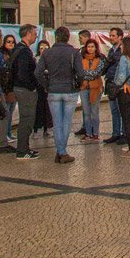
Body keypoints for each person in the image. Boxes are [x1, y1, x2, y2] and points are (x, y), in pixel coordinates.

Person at [36, 27, 85, 164]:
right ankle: (62, 152)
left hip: (53, 90)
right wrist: (78, 84)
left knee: (57, 123)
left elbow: (38, 72)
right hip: (69, 90)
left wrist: (46, 85)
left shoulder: (47, 53)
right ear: (68, 37)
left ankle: (60, 151)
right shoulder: (74, 52)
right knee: (66, 122)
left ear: (56, 37)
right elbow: (81, 73)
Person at [10, 23, 39, 159]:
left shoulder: (18, 49)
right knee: (27, 119)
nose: (36, 37)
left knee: (26, 119)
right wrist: (32, 87)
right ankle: (22, 151)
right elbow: (22, 74)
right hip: (24, 90)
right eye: (34, 34)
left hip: (20, 88)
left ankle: (25, 148)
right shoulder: (24, 51)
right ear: (28, 34)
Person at [102, 27, 126, 144]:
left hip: (119, 84)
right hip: (110, 83)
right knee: (114, 110)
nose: (111, 38)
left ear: (120, 37)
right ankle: (115, 133)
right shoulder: (112, 50)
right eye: (110, 35)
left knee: (122, 110)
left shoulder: (123, 50)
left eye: (113, 36)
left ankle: (124, 134)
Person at [79, 38, 105, 141]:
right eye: (88, 47)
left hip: (96, 88)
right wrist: (88, 74)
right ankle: (88, 133)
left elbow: (96, 73)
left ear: (95, 48)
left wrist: (86, 74)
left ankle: (95, 133)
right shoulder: (81, 60)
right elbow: (80, 73)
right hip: (84, 88)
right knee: (86, 112)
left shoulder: (100, 60)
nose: (90, 48)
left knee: (94, 112)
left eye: (92, 47)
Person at [0, 33, 18, 145]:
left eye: (12, 42)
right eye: (8, 42)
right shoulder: (3, 55)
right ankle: (4, 134)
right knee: (6, 111)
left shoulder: (14, 54)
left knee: (11, 110)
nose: (11, 44)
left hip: (13, 87)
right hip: (5, 87)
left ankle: (9, 132)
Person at [74, 29, 92, 136]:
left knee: (89, 107)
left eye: (81, 38)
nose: (79, 40)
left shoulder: (91, 50)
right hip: (83, 82)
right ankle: (85, 126)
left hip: (90, 82)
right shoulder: (81, 50)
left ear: (86, 37)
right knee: (85, 107)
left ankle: (89, 128)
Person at [33, 39, 53, 137]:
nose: (44, 50)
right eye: (41, 48)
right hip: (38, 87)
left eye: (46, 48)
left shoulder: (52, 60)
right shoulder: (35, 60)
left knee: (48, 108)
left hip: (49, 87)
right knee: (38, 108)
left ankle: (46, 128)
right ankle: (36, 129)